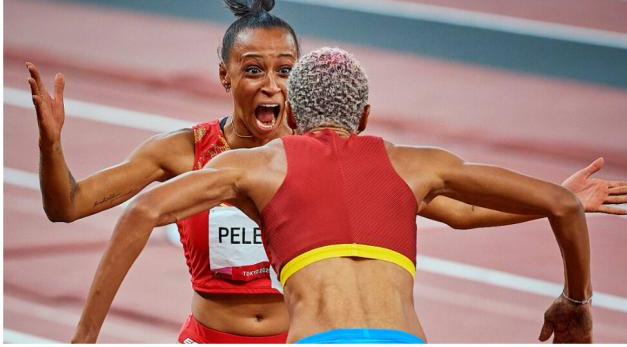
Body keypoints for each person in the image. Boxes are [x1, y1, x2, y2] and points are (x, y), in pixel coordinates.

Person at [25, 0, 627, 344]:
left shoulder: (317, 165)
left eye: (284, 73)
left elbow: (455, 210)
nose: (270, 86)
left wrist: (548, 201)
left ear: (298, 89)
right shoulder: (187, 153)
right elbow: (69, 206)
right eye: (253, 71)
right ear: (224, 76)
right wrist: (53, 147)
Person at [103, 47, 600, 343]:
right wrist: (574, 300)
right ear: (364, 117)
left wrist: (83, 340)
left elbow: (143, 209)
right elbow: (561, 206)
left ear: (292, 117)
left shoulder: (259, 164)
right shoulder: (416, 164)